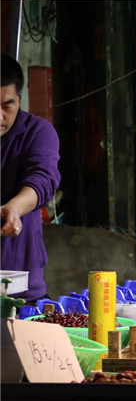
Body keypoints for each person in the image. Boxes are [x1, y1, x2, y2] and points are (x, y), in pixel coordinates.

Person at [1, 52, 61, 302]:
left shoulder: (38, 133)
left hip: (20, 289)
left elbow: (43, 179)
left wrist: (13, 208)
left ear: (19, 99)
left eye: (7, 106)